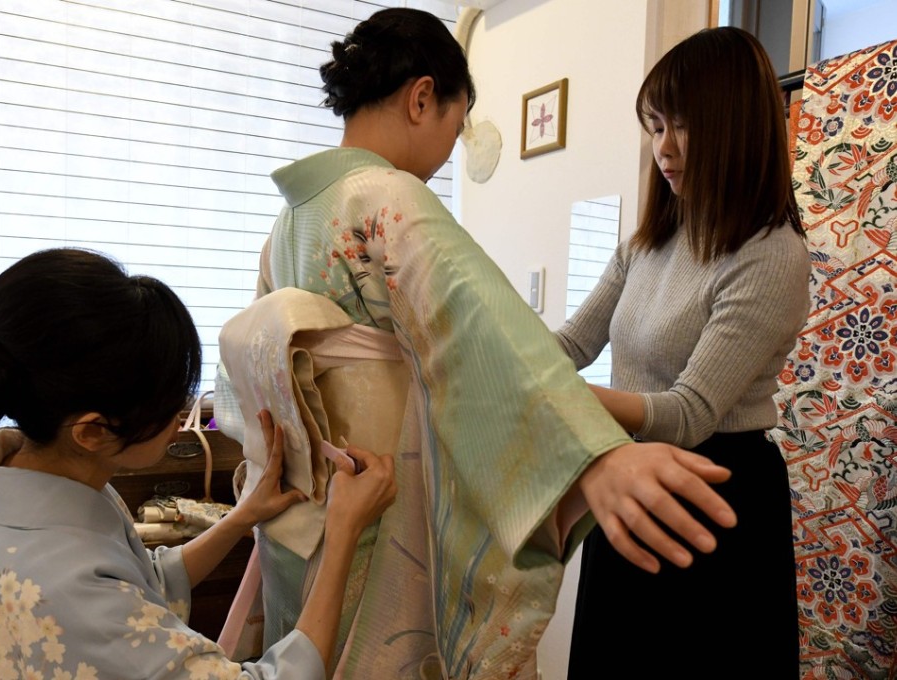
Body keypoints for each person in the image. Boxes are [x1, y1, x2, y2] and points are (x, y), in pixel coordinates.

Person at [215, 8, 739, 679]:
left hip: (315, 521)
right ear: (422, 97)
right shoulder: (385, 197)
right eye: (454, 129)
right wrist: (594, 457)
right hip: (385, 507)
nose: (446, 154)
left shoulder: (289, 221)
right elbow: (479, 330)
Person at [0, 248, 397, 679]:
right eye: (170, 408)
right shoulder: (71, 595)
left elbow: (143, 581)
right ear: (91, 431)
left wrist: (243, 516)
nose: (181, 420)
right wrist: (342, 535)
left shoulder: (9, 486)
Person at [558, 27, 808, 679]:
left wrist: (566, 401)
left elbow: (690, 413)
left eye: (683, 126)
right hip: (629, 478)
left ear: (735, 128)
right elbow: (570, 346)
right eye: (655, 124)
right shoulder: (646, 245)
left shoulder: (770, 255)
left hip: (716, 494)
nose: (662, 149)